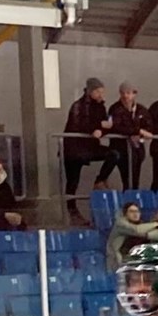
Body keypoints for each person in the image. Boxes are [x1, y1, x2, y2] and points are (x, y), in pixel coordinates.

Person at [62, 78, 117, 221]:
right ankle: (72, 210)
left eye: (102, 92)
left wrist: (100, 130)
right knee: (73, 181)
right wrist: (97, 127)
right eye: (98, 91)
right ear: (91, 91)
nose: (101, 95)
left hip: (90, 146)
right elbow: (78, 125)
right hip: (73, 149)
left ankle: (100, 180)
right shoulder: (78, 106)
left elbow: (105, 126)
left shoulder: (100, 106)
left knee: (114, 154)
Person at [108, 81, 155, 190]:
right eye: (123, 93)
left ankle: (132, 201)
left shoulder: (141, 110)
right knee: (127, 179)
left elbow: (149, 126)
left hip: (137, 149)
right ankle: (128, 202)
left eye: (128, 93)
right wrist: (138, 131)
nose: (125, 96)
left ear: (134, 94)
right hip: (121, 149)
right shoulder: (115, 109)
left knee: (135, 179)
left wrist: (143, 132)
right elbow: (117, 127)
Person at [106, 201, 158, 268]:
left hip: (131, 259)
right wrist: (156, 224)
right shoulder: (120, 223)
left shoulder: (140, 224)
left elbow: (144, 235)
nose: (135, 214)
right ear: (125, 214)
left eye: (137, 211)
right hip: (116, 261)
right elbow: (136, 230)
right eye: (132, 211)